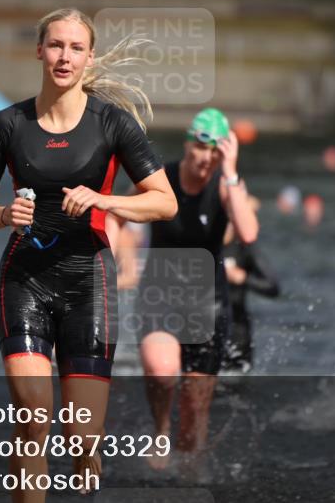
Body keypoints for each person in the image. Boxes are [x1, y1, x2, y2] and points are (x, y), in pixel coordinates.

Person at [0, 8, 177, 503]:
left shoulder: (112, 124)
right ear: (39, 51)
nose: (64, 56)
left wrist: (106, 199)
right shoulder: (7, 126)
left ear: (89, 57)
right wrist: (0, 214)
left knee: (83, 434)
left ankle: (87, 454)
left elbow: (165, 203)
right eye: (55, 45)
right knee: (34, 416)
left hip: (89, 281)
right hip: (25, 278)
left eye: (75, 48)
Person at [109, 107, 259, 470]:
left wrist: (232, 171)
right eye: (201, 149)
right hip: (159, 296)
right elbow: (117, 215)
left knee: (194, 411)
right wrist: (115, 259)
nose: (206, 159)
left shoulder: (226, 186)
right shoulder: (163, 179)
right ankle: (161, 429)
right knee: (162, 370)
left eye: (215, 153)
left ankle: (190, 474)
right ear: (188, 144)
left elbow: (248, 232)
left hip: (208, 305)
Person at [222, 194, 281, 373]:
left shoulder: (244, 248)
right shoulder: (203, 245)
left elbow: (273, 286)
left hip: (237, 335)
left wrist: (242, 279)